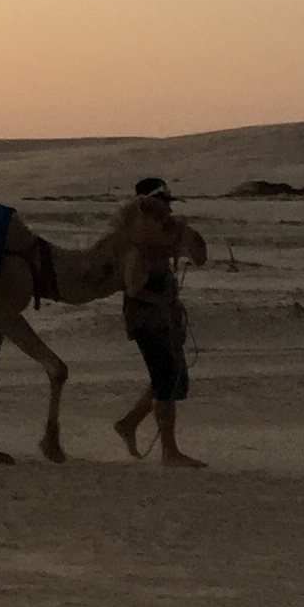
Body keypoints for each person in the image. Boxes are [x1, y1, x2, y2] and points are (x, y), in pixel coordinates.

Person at [114, 178, 204, 468]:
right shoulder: (137, 244)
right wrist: (161, 302)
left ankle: (129, 423)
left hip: (164, 317)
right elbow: (133, 287)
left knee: (168, 375)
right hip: (146, 319)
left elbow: (199, 256)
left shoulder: (160, 238)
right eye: (163, 202)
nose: (168, 209)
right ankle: (169, 452)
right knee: (166, 378)